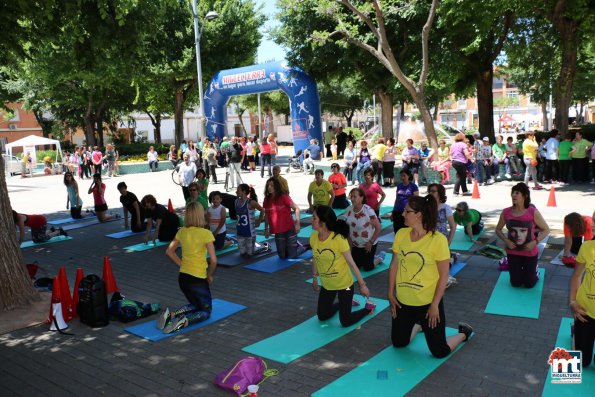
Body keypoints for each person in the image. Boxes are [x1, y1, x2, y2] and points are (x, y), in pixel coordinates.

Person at [387, 195, 473, 358]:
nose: (403, 214)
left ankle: (464, 333)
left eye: (407, 211)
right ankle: (419, 326)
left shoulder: (437, 240)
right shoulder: (401, 235)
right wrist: (391, 294)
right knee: (399, 343)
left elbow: (443, 275)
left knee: (439, 351)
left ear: (419, 215)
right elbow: (393, 266)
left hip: (427, 303)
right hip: (402, 302)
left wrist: (435, 305)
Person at [310, 205, 374, 327]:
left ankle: (368, 308)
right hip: (328, 285)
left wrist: (362, 285)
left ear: (323, 222)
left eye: (314, 218)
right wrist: (314, 277)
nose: (311, 220)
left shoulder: (338, 239)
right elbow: (315, 258)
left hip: (345, 286)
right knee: (322, 316)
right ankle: (345, 303)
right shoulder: (314, 237)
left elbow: (352, 263)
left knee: (345, 321)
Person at [161, 202, 217, 334]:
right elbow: (214, 260)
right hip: (198, 279)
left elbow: (169, 251)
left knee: (196, 304)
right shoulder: (206, 233)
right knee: (205, 311)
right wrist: (209, 275)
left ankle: (172, 315)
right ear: (200, 215)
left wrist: (182, 265)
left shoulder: (182, 231)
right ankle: (183, 321)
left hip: (183, 278)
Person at [495, 183, 550, 288]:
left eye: (517, 193)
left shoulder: (532, 212)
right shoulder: (506, 212)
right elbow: (498, 230)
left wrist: (535, 242)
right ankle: (525, 274)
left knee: (529, 284)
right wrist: (506, 241)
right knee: (515, 283)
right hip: (512, 252)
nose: (513, 195)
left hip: (529, 252)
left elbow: (546, 230)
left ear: (525, 196)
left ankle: (535, 272)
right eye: (512, 193)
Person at [339, 188, 384, 271]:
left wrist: (370, 242)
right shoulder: (349, 209)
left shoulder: (368, 211)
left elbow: (378, 227)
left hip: (369, 243)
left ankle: (379, 258)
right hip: (355, 244)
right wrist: (349, 239)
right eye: (351, 196)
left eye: (354, 197)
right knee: (355, 266)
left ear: (361, 198)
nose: (352, 199)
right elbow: (343, 224)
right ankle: (369, 257)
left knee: (367, 267)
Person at [263, 177, 306, 259]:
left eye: (272, 185)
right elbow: (267, 215)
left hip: (289, 228)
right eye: (268, 185)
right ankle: (291, 246)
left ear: (276, 186)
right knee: (282, 256)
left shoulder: (284, 197)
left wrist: (297, 224)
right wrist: (266, 229)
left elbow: (297, 209)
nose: (269, 187)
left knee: (292, 256)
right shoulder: (267, 199)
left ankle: (301, 247)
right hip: (278, 230)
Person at [568, 238, 595, 367]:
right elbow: (577, 275)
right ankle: (577, 331)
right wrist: (573, 302)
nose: (592, 225)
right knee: (581, 363)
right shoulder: (587, 247)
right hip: (585, 312)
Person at [235, 184, 265, 257]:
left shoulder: (250, 202)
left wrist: (259, 221)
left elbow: (262, 210)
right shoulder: (236, 202)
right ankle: (255, 247)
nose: (236, 192)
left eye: (238, 190)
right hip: (240, 232)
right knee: (242, 253)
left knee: (250, 254)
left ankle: (262, 247)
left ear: (244, 192)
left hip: (250, 233)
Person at [391, 169, 419, 233]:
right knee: (397, 230)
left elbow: (416, 200)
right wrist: (393, 212)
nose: (402, 177)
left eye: (404, 176)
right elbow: (397, 199)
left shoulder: (413, 186)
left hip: (407, 212)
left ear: (408, 176)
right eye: (401, 176)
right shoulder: (399, 186)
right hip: (397, 211)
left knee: (407, 231)